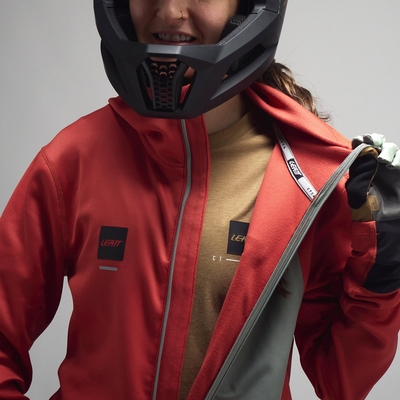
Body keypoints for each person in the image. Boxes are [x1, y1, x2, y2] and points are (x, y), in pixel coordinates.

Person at [1, 0, 400, 399]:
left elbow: (340, 378)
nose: (170, 12)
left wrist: (383, 269)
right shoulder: (74, 160)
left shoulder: (307, 181)